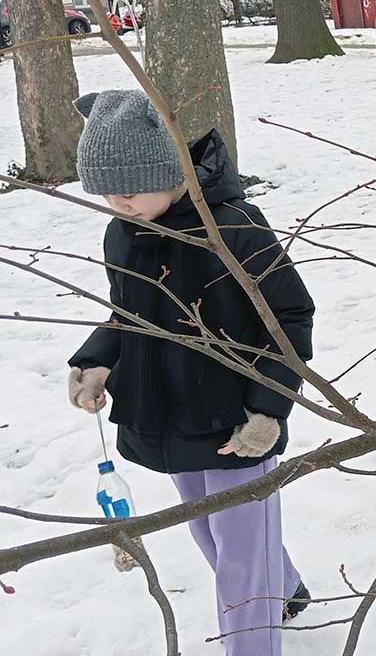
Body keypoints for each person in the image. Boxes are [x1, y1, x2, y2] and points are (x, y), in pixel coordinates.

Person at [66, 90, 315, 656]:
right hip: (165, 411)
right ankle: (288, 589)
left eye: (128, 191)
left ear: (171, 171)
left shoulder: (235, 227)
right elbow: (129, 312)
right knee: (211, 533)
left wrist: (268, 409)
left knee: (239, 553)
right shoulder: (123, 231)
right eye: (105, 194)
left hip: (235, 420)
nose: (117, 203)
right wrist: (95, 358)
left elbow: (290, 315)